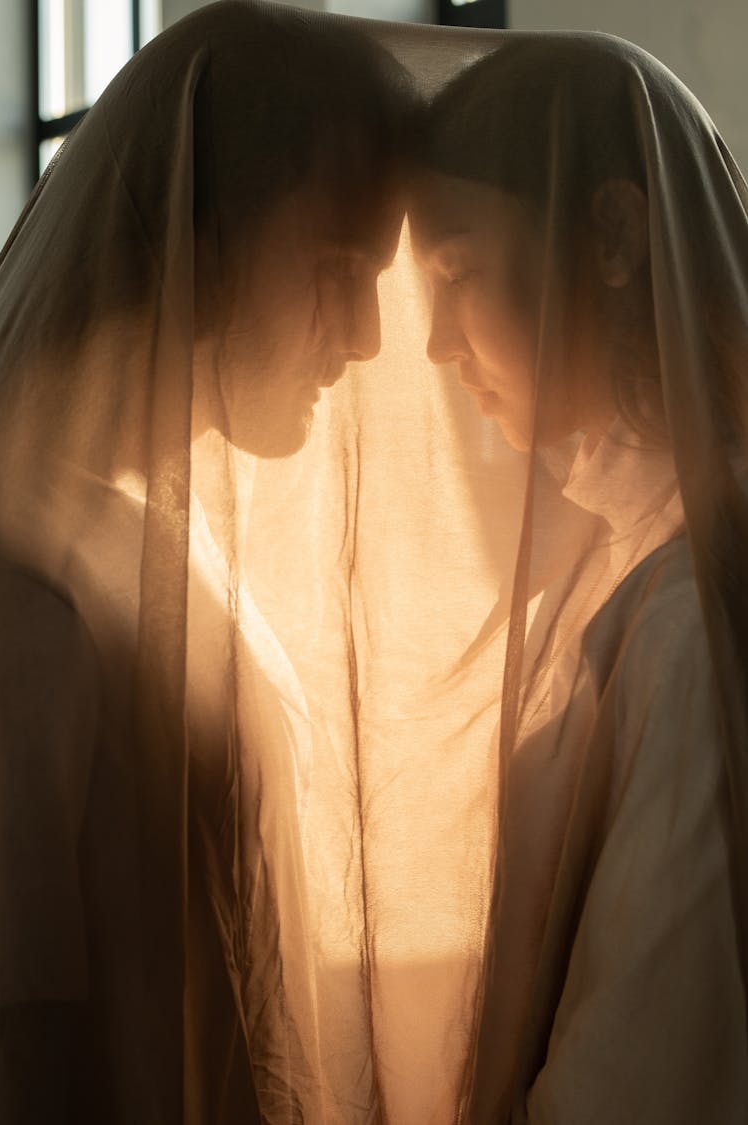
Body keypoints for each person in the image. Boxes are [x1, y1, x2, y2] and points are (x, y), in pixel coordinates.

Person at [0, 3, 413, 1122]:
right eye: (337, 263)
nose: (370, 335)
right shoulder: (22, 593)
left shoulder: (141, 534)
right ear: (205, 230)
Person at [408, 33, 748, 1124]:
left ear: (612, 236)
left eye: (458, 273)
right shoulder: (630, 559)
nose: (432, 344)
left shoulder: (694, 616)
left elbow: (646, 1067)